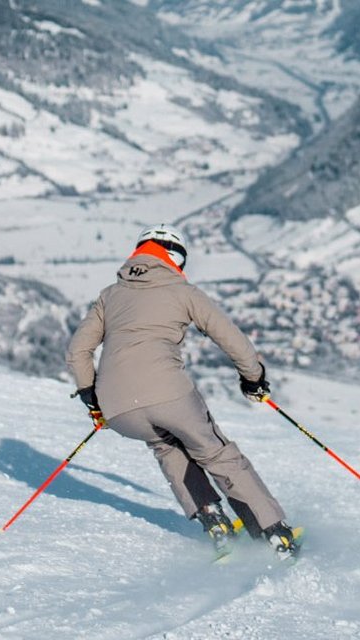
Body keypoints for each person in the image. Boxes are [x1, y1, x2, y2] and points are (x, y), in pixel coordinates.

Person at [65, 225, 298, 558]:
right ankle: (273, 532)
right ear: (176, 259)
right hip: (169, 395)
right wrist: (253, 378)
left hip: (118, 409)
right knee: (217, 454)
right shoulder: (183, 291)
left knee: (166, 446)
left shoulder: (110, 295)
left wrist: (92, 399)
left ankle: (214, 521)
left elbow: (77, 352)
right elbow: (231, 338)